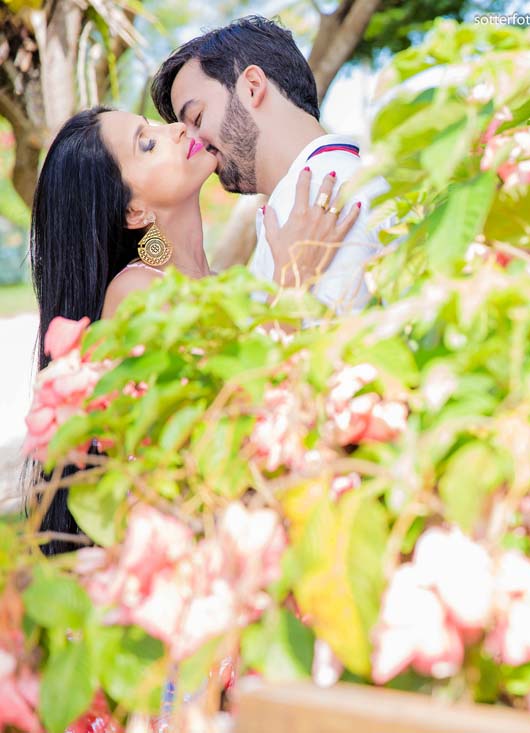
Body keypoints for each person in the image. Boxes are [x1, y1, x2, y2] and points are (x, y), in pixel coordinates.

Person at [26, 105, 359, 554]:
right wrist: (292, 282)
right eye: (147, 143)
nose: (179, 129)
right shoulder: (136, 294)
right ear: (134, 210)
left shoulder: (220, 281)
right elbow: (216, 436)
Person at [151, 15, 391, 314]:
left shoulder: (312, 196)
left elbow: (319, 350)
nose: (195, 144)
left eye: (197, 119)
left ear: (252, 85)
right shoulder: (340, 179)